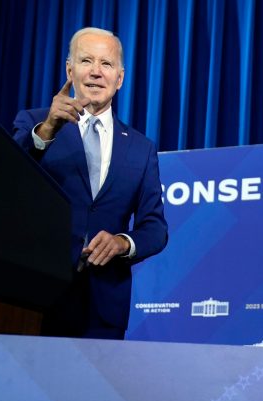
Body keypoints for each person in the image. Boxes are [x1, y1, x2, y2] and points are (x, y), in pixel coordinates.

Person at [13, 27, 167, 340]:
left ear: (120, 78)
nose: (96, 72)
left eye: (106, 64)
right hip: (37, 296)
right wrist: (47, 131)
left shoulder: (141, 147)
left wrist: (122, 242)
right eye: (86, 61)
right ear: (70, 71)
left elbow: (155, 228)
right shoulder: (35, 123)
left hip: (103, 309)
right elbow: (9, 181)